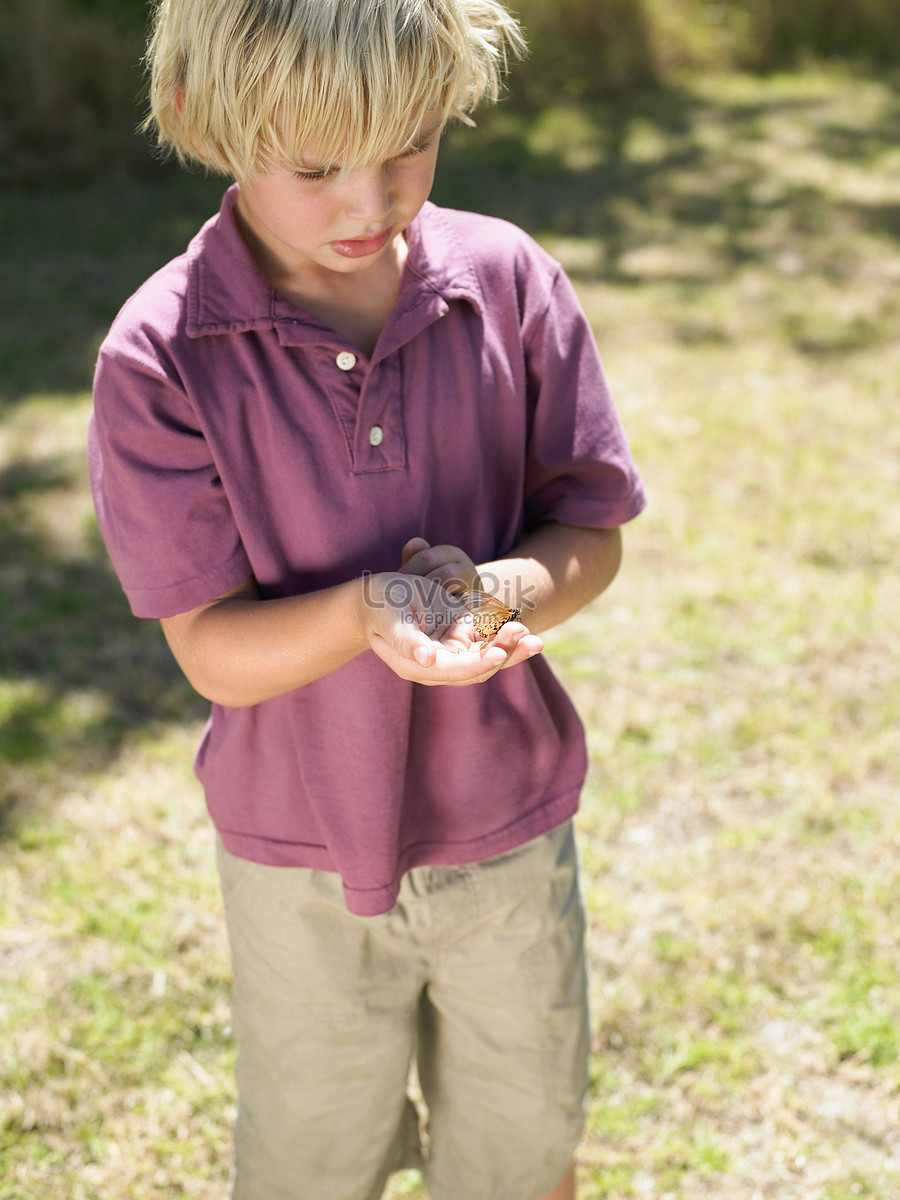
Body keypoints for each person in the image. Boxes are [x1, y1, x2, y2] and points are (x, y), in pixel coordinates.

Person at [88, 1, 647, 1197]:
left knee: (524, 1154)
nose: (370, 200)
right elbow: (211, 652)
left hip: (507, 830)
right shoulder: (160, 356)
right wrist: (360, 615)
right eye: (314, 165)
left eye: (409, 143)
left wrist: (500, 592)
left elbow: (591, 532)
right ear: (202, 122)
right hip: (297, 856)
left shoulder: (509, 284)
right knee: (310, 1164)